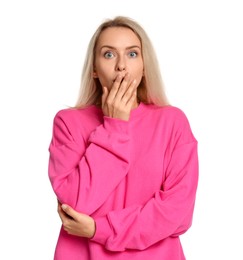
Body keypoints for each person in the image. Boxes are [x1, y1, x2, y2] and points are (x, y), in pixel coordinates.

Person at [48, 16, 199, 260]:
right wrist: (115, 126)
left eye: (132, 54)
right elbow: (75, 207)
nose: (121, 65)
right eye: (109, 54)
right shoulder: (68, 122)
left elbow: (177, 215)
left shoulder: (172, 122)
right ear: (94, 69)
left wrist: (99, 229)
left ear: (144, 64)